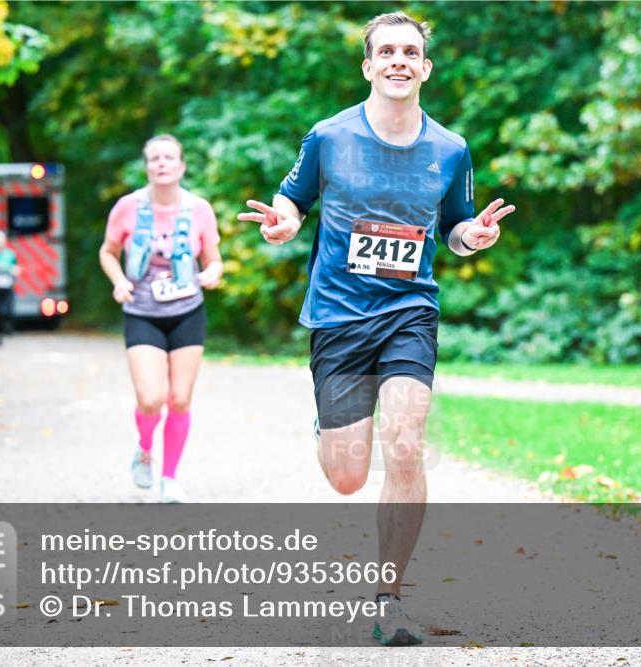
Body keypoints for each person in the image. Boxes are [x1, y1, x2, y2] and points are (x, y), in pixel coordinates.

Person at [238, 12, 514, 646]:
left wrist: (470, 238)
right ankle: (333, 422)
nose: (398, 60)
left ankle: (389, 597)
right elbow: (293, 198)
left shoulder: (451, 148)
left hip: (409, 312)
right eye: (385, 51)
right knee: (346, 476)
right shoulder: (328, 137)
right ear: (368, 66)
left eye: (410, 52)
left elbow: (457, 224)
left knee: (407, 441)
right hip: (338, 315)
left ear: (425, 67)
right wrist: (283, 222)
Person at [99, 134, 223, 503]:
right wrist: (119, 280)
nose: (162, 163)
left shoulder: (199, 209)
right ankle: (144, 447)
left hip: (187, 312)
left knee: (180, 398)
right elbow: (108, 252)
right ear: (147, 166)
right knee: (151, 398)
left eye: (169, 157)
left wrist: (213, 272)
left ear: (182, 166)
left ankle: (169, 478)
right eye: (155, 158)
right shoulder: (127, 207)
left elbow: (213, 258)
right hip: (142, 313)